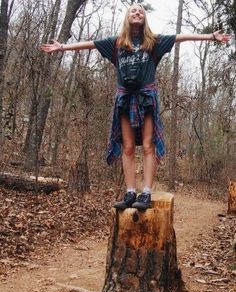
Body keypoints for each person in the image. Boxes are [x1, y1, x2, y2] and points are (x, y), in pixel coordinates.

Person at [42, 3, 230, 210]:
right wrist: (62, 47)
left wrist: (211, 37)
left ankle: (146, 193)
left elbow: (180, 37)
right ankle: (131, 192)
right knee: (128, 147)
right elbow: (90, 44)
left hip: (146, 98)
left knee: (148, 146)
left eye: (141, 10)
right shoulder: (117, 43)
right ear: (128, 17)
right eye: (133, 10)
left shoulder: (154, 42)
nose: (138, 12)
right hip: (124, 99)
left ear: (144, 18)